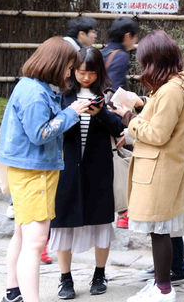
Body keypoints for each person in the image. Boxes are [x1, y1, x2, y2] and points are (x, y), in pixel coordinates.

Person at [0, 37, 95, 302]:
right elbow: (40, 134)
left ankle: (13, 291)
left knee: (22, 232)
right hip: (34, 173)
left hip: (27, 170)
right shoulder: (35, 93)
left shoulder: (30, 87)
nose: (69, 73)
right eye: (68, 67)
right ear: (56, 63)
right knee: (36, 241)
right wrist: (71, 112)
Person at [123, 30, 184, 302]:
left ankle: (164, 288)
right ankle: (160, 283)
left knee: (160, 231)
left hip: (161, 169)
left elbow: (158, 134)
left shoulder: (170, 90)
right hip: (162, 167)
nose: (143, 68)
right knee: (160, 231)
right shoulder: (173, 85)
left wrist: (128, 120)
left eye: (145, 62)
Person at [50, 47, 130, 299]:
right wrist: (72, 112)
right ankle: (65, 279)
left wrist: (101, 113)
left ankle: (99, 273)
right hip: (67, 168)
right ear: (73, 70)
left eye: (91, 73)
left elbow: (120, 129)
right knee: (62, 223)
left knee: (101, 222)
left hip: (99, 167)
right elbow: (54, 128)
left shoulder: (107, 94)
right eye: (81, 72)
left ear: (99, 72)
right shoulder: (63, 95)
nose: (85, 78)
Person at [99, 16, 140, 92]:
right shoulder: (121, 56)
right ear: (127, 36)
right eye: (135, 36)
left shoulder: (101, 52)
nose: (136, 40)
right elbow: (115, 88)